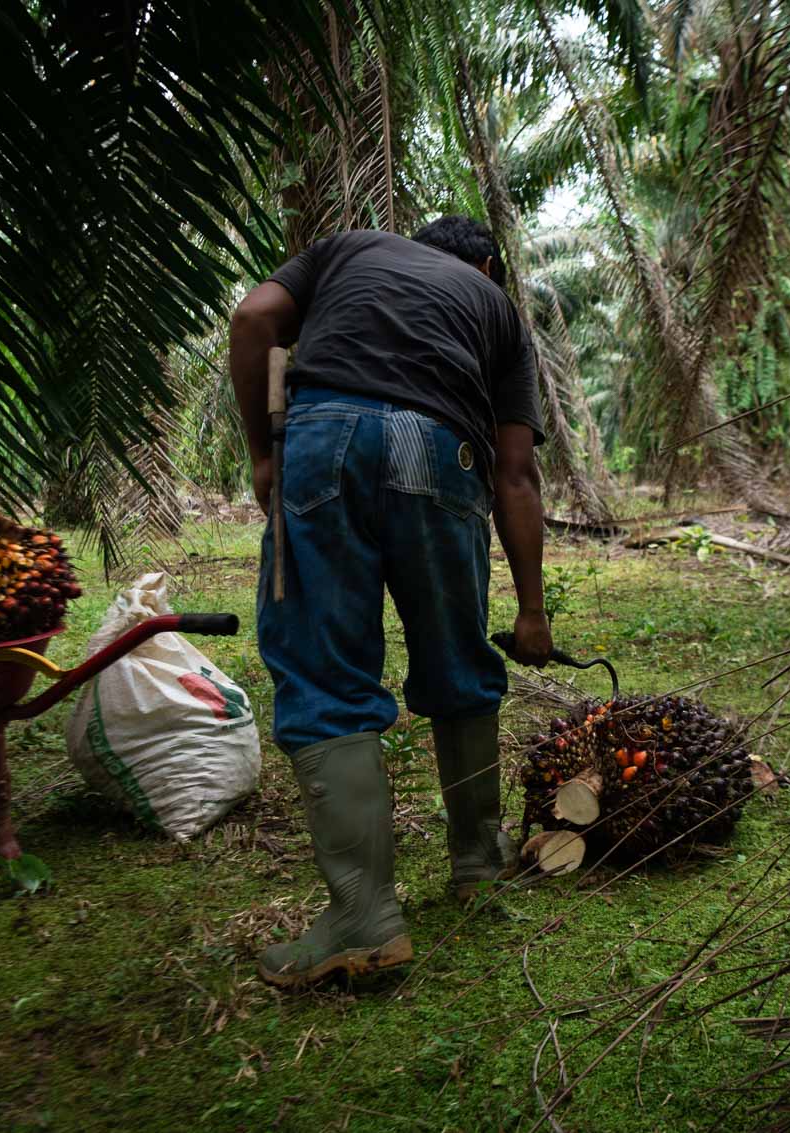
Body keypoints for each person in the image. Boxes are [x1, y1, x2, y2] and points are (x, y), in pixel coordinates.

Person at [228, 216, 554, 989]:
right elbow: (515, 475)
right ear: (483, 264)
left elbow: (253, 319)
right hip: (444, 450)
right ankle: (478, 862)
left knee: (325, 672)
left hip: (326, 436)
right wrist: (531, 611)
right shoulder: (498, 311)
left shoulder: (348, 248)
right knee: (456, 658)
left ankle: (365, 918)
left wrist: (263, 452)